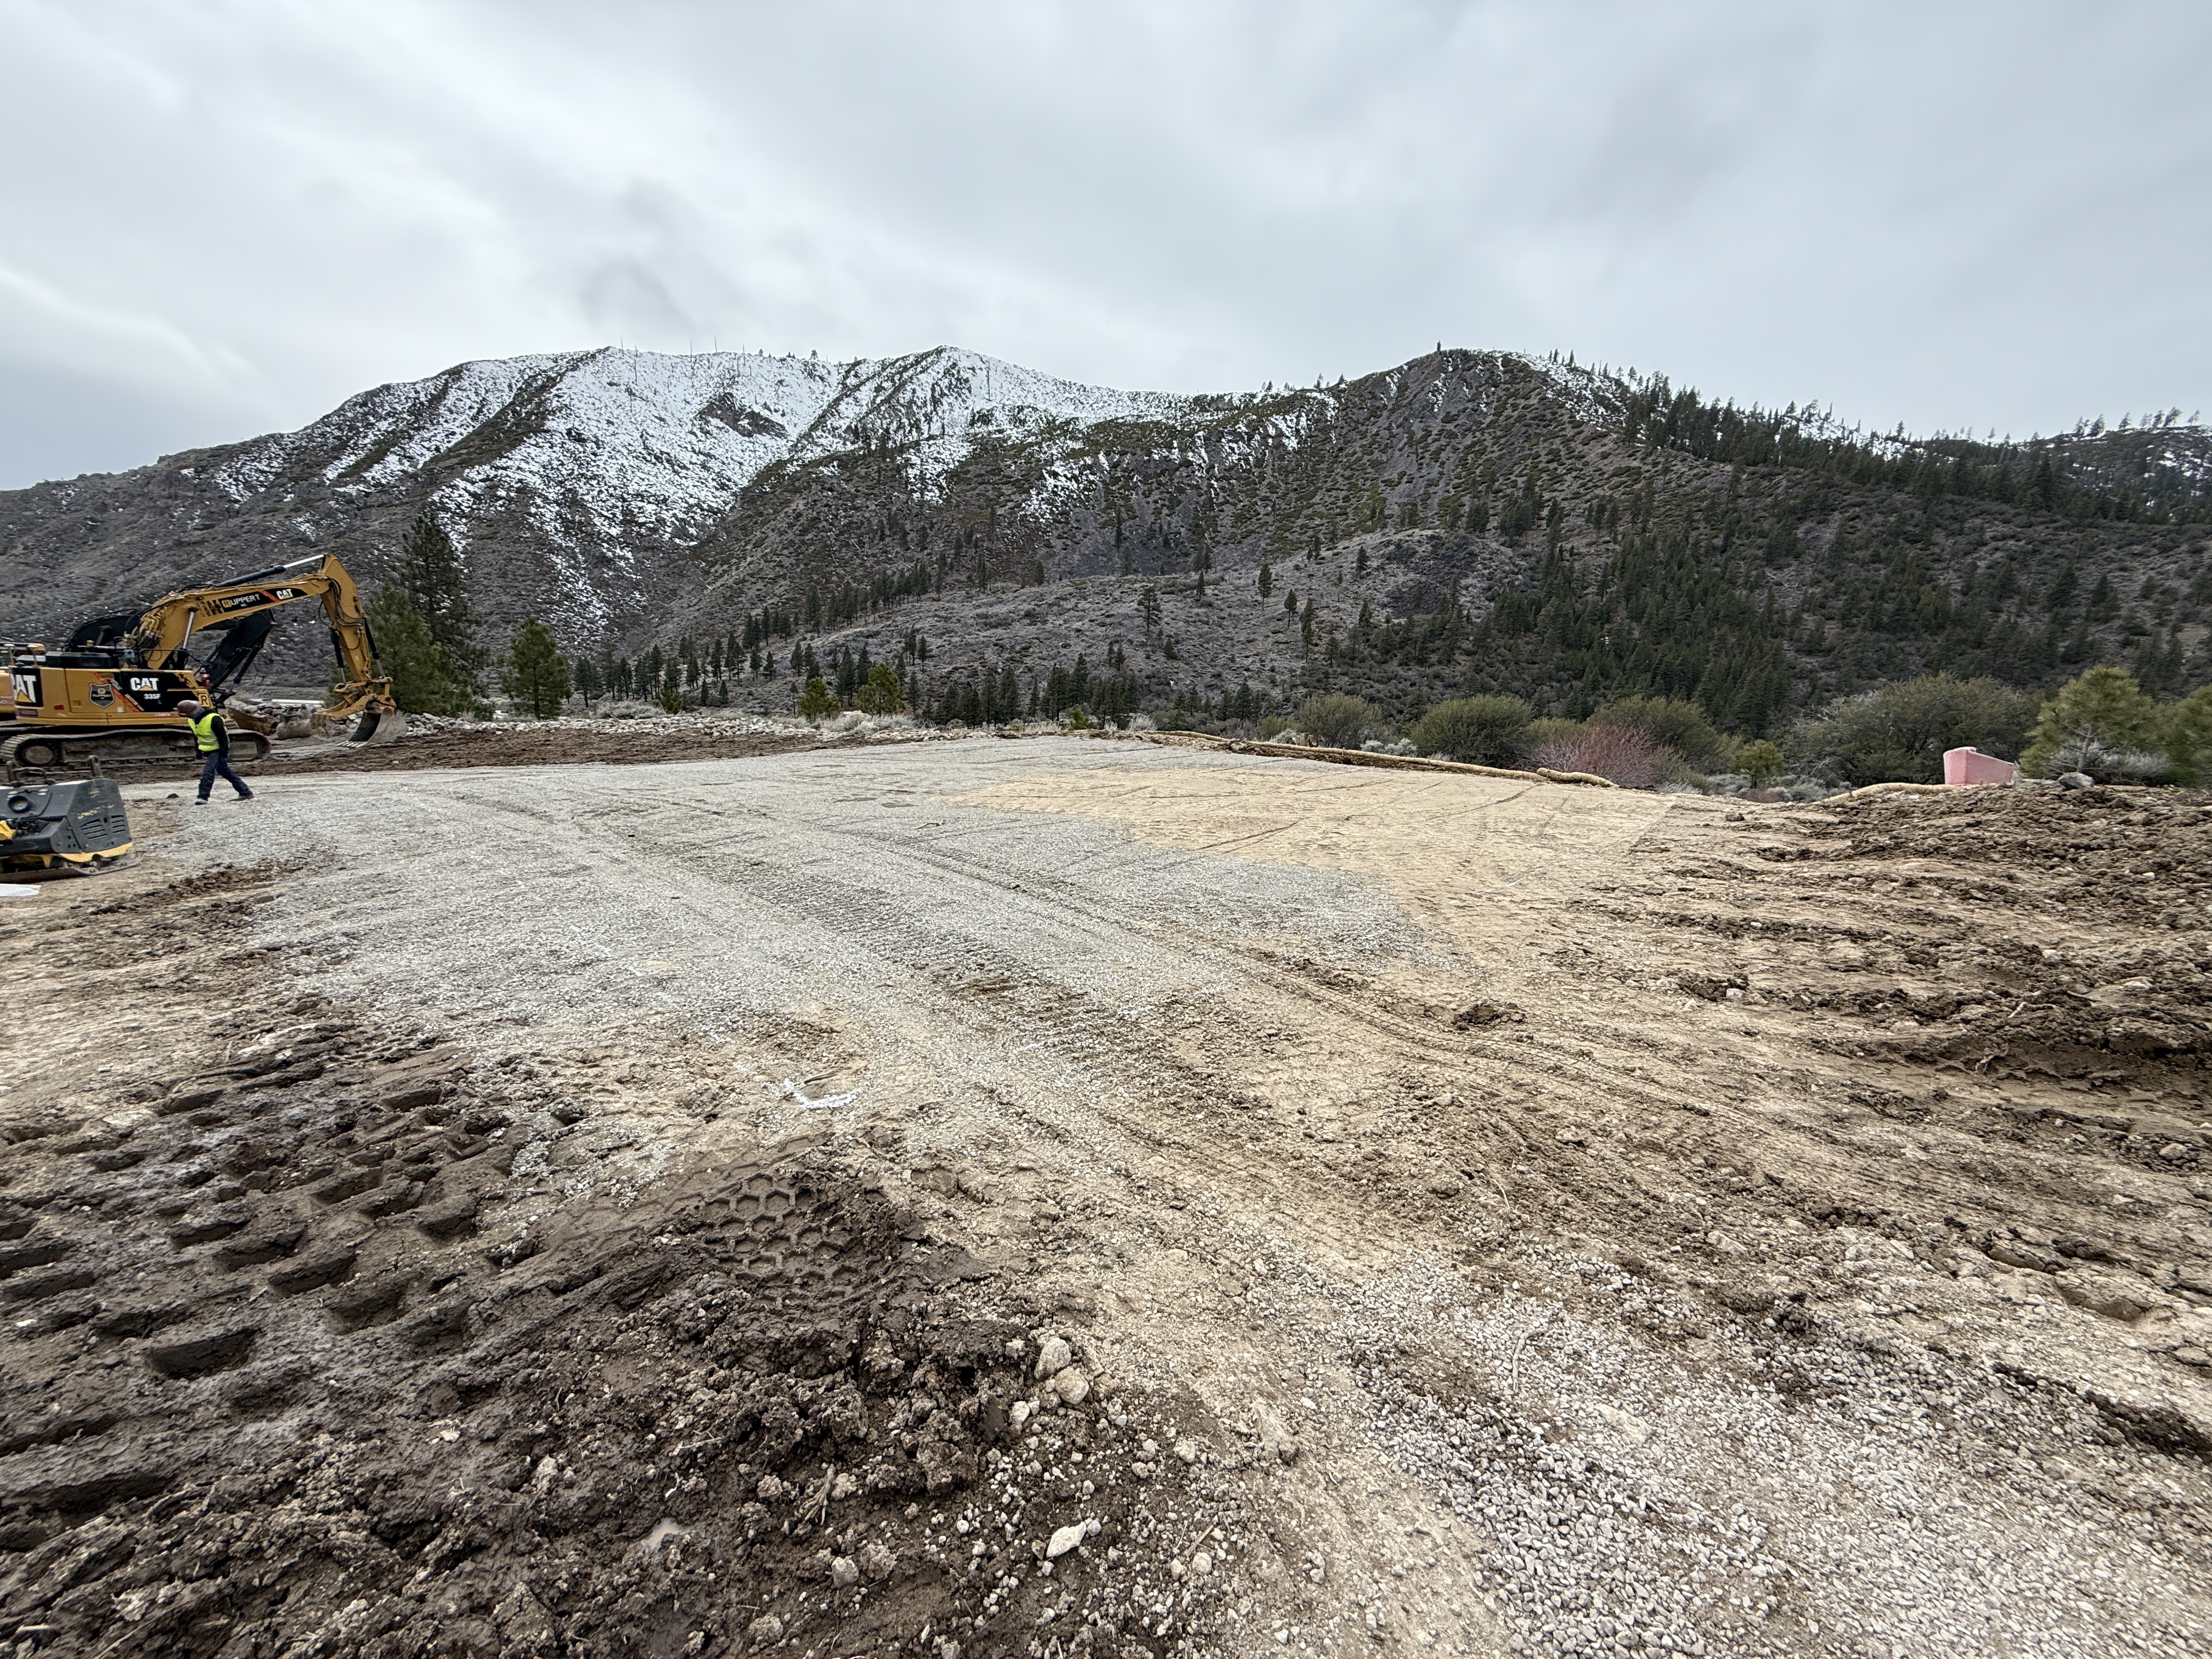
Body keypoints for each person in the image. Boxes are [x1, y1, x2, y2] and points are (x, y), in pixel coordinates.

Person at [177, 699, 255, 804]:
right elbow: (197, 735)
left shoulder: (214, 718)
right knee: (225, 772)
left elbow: (223, 738)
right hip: (208, 750)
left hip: (217, 750)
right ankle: (245, 792)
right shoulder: (192, 720)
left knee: (208, 772)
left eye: (187, 714)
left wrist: (223, 753)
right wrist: (198, 750)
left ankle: (203, 797)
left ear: (193, 711)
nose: (187, 717)